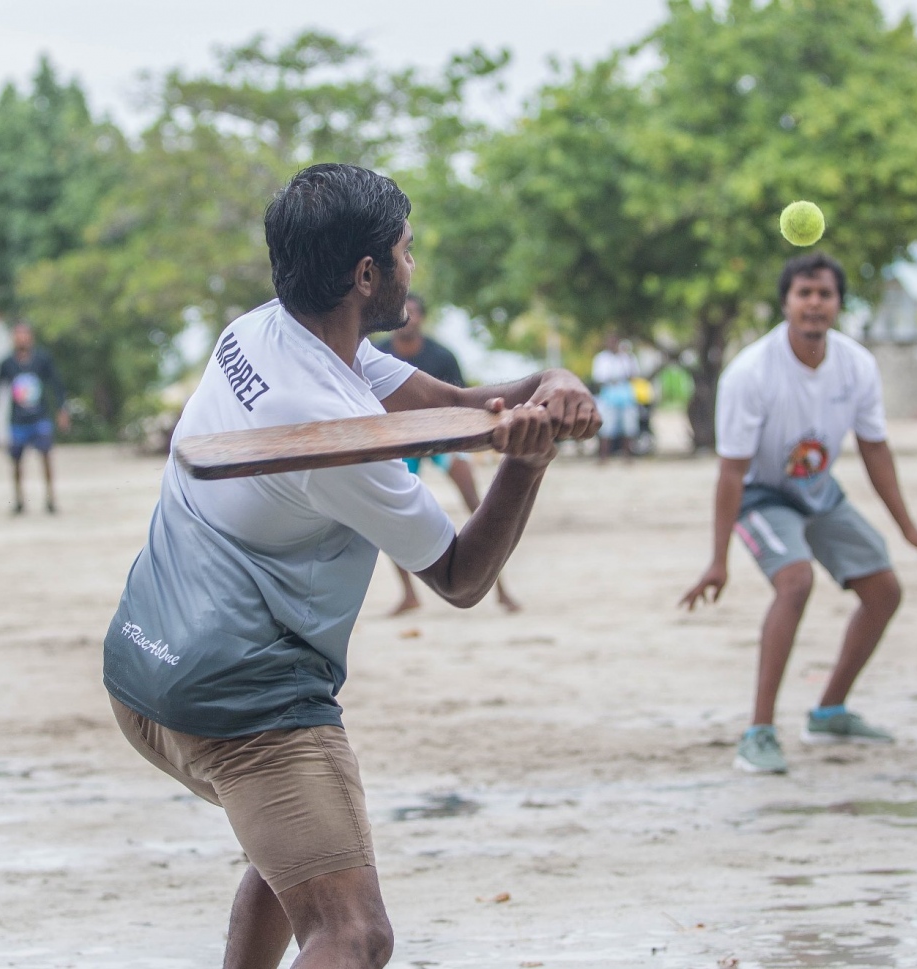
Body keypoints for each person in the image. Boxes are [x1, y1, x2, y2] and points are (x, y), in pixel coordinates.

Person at [102, 164, 598, 968]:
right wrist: (528, 464)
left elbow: (467, 405)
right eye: (406, 251)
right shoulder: (324, 422)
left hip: (143, 669)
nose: (413, 267)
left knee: (295, 860)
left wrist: (552, 384)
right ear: (367, 274)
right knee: (355, 933)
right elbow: (462, 576)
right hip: (243, 705)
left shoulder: (266, 332)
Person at [679, 252, 917, 775]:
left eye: (824, 294)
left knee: (884, 590)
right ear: (786, 303)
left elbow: (875, 450)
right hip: (760, 494)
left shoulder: (856, 365)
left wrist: (910, 530)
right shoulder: (751, 373)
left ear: (838, 304)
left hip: (818, 488)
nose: (814, 304)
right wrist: (718, 560)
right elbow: (731, 472)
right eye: (804, 293)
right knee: (796, 581)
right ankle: (758, 733)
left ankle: (828, 712)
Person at [376, 292, 520, 615]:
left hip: (444, 440)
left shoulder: (442, 356)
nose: (408, 317)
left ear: (422, 318)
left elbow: (463, 404)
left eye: (413, 312)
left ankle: (501, 590)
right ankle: (409, 594)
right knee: (387, 514)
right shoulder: (378, 354)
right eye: (403, 311)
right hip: (400, 441)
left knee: (477, 504)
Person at [0, 323, 70, 514]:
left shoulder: (42, 359)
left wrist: (62, 409)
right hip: (18, 421)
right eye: (18, 335)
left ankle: (50, 499)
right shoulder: (6, 363)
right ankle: (19, 500)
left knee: (46, 457)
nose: (21, 338)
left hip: (40, 417)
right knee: (16, 461)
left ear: (31, 337)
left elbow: (56, 384)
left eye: (25, 334)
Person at [591, 333, 639, 463]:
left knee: (628, 427)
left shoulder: (627, 357)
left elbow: (633, 375)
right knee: (606, 428)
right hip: (609, 396)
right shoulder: (601, 358)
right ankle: (603, 457)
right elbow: (598, 378)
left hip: (626, 396)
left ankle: (627, 457)